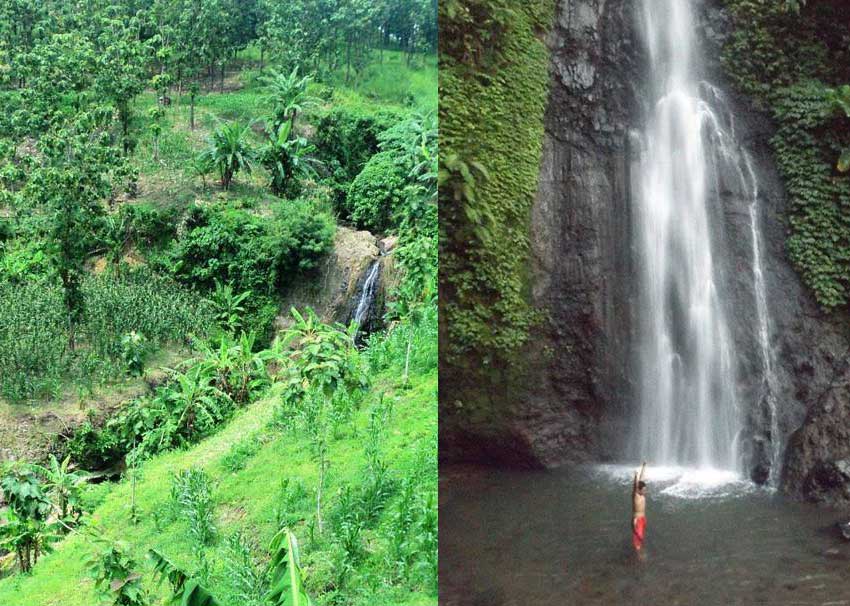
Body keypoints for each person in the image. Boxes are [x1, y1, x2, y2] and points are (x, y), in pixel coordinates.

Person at [632, 461, 647, 552]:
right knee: (638, 540)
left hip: (643, 519)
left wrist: (643, 467)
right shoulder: (636, 496)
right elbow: (636, 485)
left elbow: (642, 479)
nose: (645, 491)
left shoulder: (642, 495)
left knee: (641, 539)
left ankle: (639, 552)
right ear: (639, 489)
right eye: (644, 490)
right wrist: (636, 476)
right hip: (637, 520)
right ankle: (639, 556)